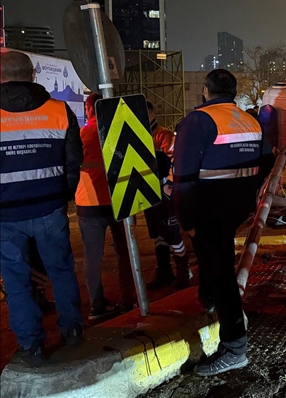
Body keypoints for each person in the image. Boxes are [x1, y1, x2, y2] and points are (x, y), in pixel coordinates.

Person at [173, 69, 274, 376]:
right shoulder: (249, 120)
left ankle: (234, 347)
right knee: (216, 257)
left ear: (206, 91)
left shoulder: (198, 121)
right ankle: (208, 298)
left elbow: (184, 178)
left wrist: (186, 218)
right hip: (237, 207)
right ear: (232, 92)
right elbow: (267, 159)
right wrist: (246, 185)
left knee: (220, 272)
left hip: (208, 209)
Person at [0, 51, 85, 367]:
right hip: (50, 209)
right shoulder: (59, 110)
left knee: (16, 281)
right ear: (33, 75)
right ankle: (73, 330)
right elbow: (73, 161)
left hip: (5, 216)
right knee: (61, 271)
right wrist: (63, 195)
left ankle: (32, 346)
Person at [75, 93, 137, 320]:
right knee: (125, 253)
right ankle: (129, 299)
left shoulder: (80, 135)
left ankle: (96, 306)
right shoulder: (117, 132)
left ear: (89, 109)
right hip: (118, 200)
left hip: (87, 203)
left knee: (92, 258)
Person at [143, 101, 191, 290]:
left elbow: (176, 161)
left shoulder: (163, 135)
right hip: (149, 192)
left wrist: (170, 186)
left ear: (152, 114)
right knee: (157, 233)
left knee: (171, 233)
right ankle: (164, 271)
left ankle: (183, 271)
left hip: (164, 192)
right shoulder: (140, 135)